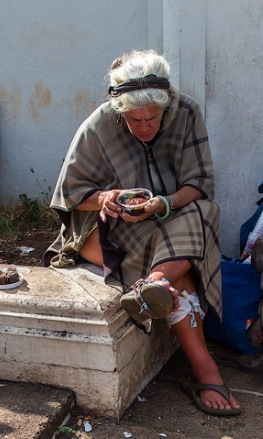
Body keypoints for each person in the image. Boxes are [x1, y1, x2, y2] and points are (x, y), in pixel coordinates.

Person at [44, 50, 240, 416]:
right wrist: (106, 197)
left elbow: (200, 184)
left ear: (166, 106)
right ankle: (201, 362)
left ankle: (151, 286)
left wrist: (163, 204)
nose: (144, 126)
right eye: (134, 120)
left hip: (168, 221)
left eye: (152, 117)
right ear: (119, 110)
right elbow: (67, 196)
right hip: (105, 232)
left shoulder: (187, 113)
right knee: (181, 272)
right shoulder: (100, 123)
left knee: (204, 210)